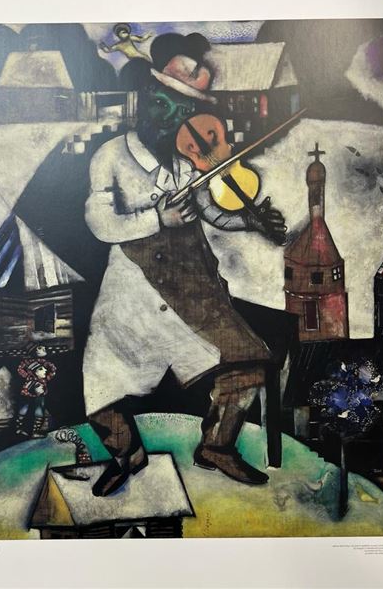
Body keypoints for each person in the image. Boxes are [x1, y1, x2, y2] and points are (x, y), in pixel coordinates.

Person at [83, 33, 287, 497]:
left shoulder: (187, 160)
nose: (170, 116)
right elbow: (99, 222)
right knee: (101, 391)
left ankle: (216, 447)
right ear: (145, 100)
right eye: (162, 103)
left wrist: (249, 221)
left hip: (191, 286)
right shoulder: (110, 156)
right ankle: (127, 455)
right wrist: (157, 218)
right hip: (133, 292)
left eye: (182, 107)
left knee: (249, 363)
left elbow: (210, 210)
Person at [15, 345, 57, 438]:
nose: (45, 370)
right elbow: (20, 369)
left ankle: (35, 431)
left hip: (39, 395)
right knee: (24, 409)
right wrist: (28, 376)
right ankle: (20, 429)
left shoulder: (44, 376)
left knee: (39, 410)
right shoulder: (29, 375)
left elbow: (52, 370)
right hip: (27, 393)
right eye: (40, 349)